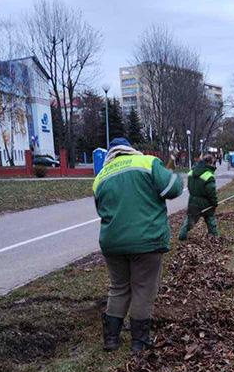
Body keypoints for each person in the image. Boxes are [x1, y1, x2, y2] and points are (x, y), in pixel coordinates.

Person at [92, 137, 183, 352]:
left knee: (118, 288)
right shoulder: (147, 163)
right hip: (146, 241)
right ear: (130, 149)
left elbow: (101, 209)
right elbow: (173, 189)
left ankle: (111, 339)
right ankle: (139, 342)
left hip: (112, 243)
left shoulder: (101, 177)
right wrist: (171, 174)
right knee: (143, 289)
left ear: (110, 154)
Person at [178, 153, 219, 240]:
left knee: (190, 219)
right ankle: (215, 237)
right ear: (210, 163)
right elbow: (211, 192)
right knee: (210, 219)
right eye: (213, 163)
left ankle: (182, 235)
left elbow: (189, 186)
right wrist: (214, 203)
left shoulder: (191, 172)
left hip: (192, 200)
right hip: (206, 202)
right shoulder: (209, 176)